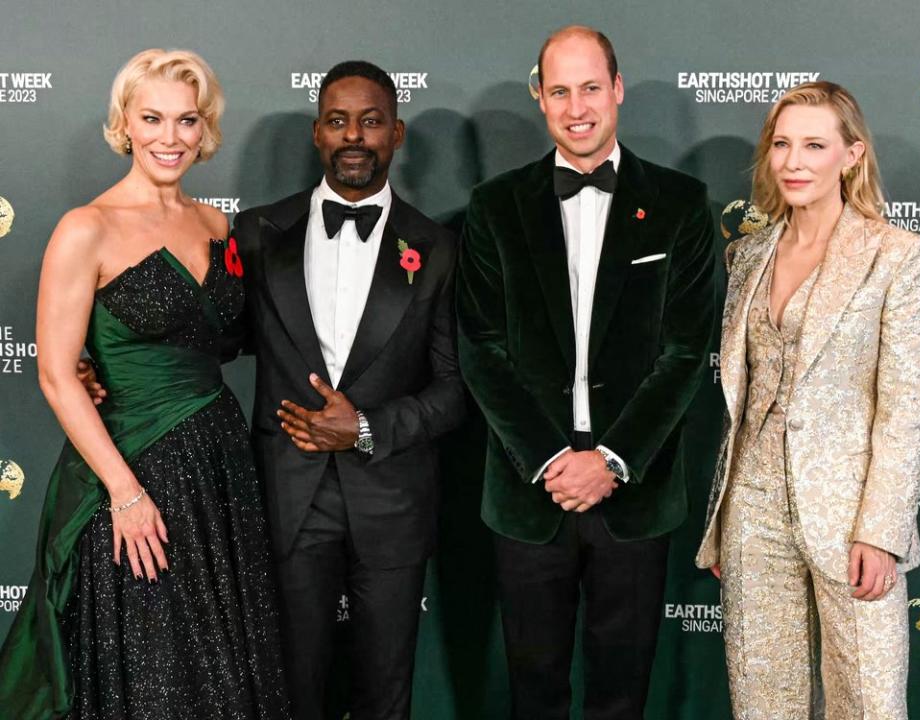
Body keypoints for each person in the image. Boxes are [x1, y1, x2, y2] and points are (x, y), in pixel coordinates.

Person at [0, 49, 289, 719]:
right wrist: (126, 494)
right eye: (152, 118)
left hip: (219, 469)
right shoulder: (86, 228)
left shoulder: (218, 227)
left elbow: (221, 338)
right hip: (132, 472)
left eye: (186, 121)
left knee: (224, 666)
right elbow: (54, 372)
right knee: (154, 668)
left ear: (205, 128)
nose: (170, 137)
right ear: (125, 123)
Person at [457, 26, 716, 719]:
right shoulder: (494, 207)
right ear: (540, 98)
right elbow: (480, 346)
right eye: (561, 90)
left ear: (618, 90)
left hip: (633, 493)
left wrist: (612, 459)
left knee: (620, 697)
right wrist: (549, 458)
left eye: (591, 88)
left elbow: (687, 350)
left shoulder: (680, 205)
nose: (578, 107)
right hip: (526, 492)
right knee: (532, 694)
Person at [695, 81, 920, 719]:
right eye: (782, 144)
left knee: (868, 703)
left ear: (851, 155)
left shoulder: (896, 255)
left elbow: (907, 406)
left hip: (851, 515)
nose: (794, 161)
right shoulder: (746, 255)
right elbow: (744, 397)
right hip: (752, 508)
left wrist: (881, 532)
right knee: (763, 700)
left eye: (814, 145)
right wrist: (725, 521)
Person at [229, 61, 465, 720]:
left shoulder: (439, 248)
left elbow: (454, 391)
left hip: (392, 496)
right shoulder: (257, 233)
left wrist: (364, 428)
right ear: (316, 134)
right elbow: (212, 340)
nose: (353, 136)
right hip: (288, 496)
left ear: (397, 134)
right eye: (338, 121)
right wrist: (109, 363)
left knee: (386, 698)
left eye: (370, 121)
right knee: (292, 693)